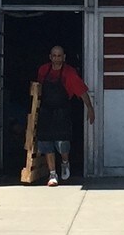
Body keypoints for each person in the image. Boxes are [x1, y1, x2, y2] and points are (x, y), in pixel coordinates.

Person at [33, 44, 95, 186]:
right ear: (50, 57)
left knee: (62, 143)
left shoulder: (70, 73)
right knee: (47, 143)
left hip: (62, 112)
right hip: (46, 112)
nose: (56, 58)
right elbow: (38, 89)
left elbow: (82, 92)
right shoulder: (43, 70)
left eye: (59, 56)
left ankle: (65, 162)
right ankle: (53, 174)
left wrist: (90, 108)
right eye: (54, 56)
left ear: (64, 57)